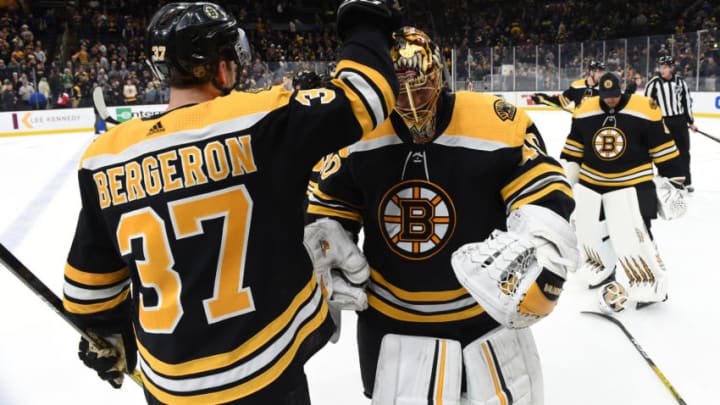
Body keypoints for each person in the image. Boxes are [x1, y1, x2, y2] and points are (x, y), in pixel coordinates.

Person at [61, 1, 400, 404]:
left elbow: (89, 294)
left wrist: (110, 334)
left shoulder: (105, 156)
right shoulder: (260, 117)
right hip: (266, 372)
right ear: (221, 66)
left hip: (169, 388)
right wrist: (364, 21)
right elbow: (368, 95)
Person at [304, 27, 578, 404]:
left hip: (481, 313)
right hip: (392, 318)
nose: (412, 103)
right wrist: (325, 241)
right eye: (399, 92)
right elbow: (329, 208)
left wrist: (542, 234)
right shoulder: (357, 134)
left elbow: (541, 185)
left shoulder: (495, 120)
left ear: (440, 75)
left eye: (419, 88)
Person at [560, 72, 688, 311]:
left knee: (638, 235)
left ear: (622, 90)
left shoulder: (644, 108)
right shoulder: (585, 109)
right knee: (591, 231)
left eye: (615, 96)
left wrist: (675, 178)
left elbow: (662, 146)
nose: (611, 100)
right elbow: (574, 148)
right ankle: (602, 267)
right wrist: (566, 180)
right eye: (606, 96)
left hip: (634, 183)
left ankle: (651, 281)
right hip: (592, 183)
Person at [644, 55, 699, 192]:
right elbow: (646, 106)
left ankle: (686, 181)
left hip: (680, 121)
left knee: (684, 152)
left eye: (665, 67)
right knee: (664, 152)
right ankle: (665, 177)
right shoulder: (653, 84)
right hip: (663, 122)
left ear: (671, 68)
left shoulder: (681, 82)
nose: (662, 70)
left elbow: (686, 103)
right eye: (660, 67)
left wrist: (691, 122)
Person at [531, 60, 606, 110]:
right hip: (579, 125)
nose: (602, 75)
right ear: (591, 72)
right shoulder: (577, 86)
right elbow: (561, 102)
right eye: (599, 72)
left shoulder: (604, 88)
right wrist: (544, 99)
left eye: (603, 72)